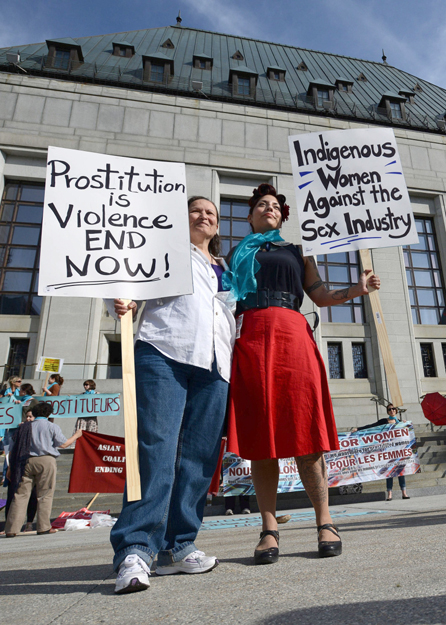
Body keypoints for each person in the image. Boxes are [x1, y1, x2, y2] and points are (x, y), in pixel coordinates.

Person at [224, 183, 381, 565]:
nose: (268, 209)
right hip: (250, 340)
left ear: (283, 215)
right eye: (261, 205)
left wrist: (356, 290)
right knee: (261, 440)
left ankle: (325, 521)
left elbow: (322, 295)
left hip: (291, 335)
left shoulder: (297, 252)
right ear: (250, 215)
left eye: (274, 206)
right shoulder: (232, 254)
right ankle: (268, 529)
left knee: (305, 434)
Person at [106, 196, 236, 594]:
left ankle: (179, 546)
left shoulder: (224, 268)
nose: (205, 216)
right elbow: (126, 285)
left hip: (215, 364)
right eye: (197, 210)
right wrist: (122, 300)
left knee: (198, 458)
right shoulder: (160, 251)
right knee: (156, 450)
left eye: (211, 213)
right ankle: (136, 549)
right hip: (164, 351)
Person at [4, 402, 83, 537]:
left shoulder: (25, 427)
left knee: (21, 495)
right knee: (45, 494)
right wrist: (76, 435)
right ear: (49, 413)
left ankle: (11, 529)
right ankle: (43, 527)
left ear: (34, 413)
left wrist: (11, 467)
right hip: (46, 460)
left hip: (26, 461)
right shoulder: (52, 426)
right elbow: (64, 444)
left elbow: (14, 448)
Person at [352, 404, 409, 500]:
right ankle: (389, 494)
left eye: (393, 409)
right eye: (390, 409)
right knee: (389, 472)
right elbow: (372, 426)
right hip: (387, 450)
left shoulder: (400, 422)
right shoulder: (384, 421)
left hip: (398, 450)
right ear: (387, 411)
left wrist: (406, 424)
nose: (392, 411)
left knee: (400, 471)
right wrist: (358, 429)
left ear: (396, 410)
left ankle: (404, 493)